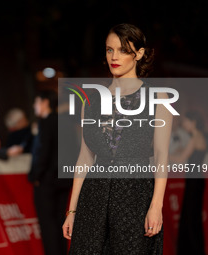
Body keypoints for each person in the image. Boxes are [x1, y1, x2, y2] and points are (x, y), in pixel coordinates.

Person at [63, 23, 172, 254]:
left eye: (123, 50)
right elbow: (84, 158)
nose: (114, 56)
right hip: (93, 199)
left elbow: (162, 155)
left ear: (139, 54)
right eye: (109, 49)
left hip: (135, 197)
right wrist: (72, 211)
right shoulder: (90, 102)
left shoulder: (158, 98)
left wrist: (156, 205)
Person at [28, 90, 72, 255]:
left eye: (36, 101)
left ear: (45, 102)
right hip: (64, 179)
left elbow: (42, 151)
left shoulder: (46, 123)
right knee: (60, 220)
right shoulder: (66, 122)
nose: (34, 106)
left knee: (48, 225)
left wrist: (36, 176)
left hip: (47, 181)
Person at [170, 111, 206, 255]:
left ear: (193, 123)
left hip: (193, 181)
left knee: (190, 216)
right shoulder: (199, 136)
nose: (183, 124)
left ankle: (191, 250)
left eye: (186, 121)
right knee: (193, 216)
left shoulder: (195, 137)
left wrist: (161, 154)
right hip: (197, 179)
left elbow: (180, 159)